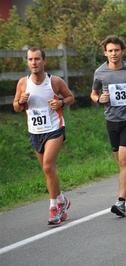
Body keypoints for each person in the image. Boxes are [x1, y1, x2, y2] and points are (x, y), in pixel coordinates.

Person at [13, 47, 74, 225]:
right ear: (27, 61)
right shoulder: (22, 83)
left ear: (44, 61)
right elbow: (16, 107)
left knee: (48, 167)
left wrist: (61, 102)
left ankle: (54, 207)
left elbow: (70, 97)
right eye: (30, 59)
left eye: (37, 59)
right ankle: (62, 199)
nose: (34, 62)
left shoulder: (54, 81)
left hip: (55, 128)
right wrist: (20, 101)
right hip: (35, 131)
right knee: (48, 172)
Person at [90, 35, 126, 218]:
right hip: (111, 121)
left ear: (122, 51)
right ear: (105, 52)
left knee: (124, 159)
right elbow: (93, 93)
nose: (113, 53)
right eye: (110, 50)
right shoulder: (100, 72)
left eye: (117, 50)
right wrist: (98, 99)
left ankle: (121, 202)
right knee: (122, 162)